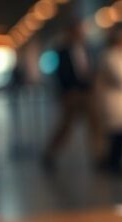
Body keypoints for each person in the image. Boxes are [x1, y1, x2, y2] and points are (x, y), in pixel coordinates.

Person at [42, 19, 99, 170]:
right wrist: (66, 91)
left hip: (86, 92)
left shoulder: (87, 48)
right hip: (71, 93)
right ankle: (50, 153)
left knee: (95, 125)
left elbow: (90, 68)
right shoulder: (62, 51)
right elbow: (60, 74)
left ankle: (99, 155)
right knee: (66, 126)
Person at [94, 29, 122, 175]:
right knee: (116, 135)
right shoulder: (111, 57)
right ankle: (114, 164)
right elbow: (121, 79)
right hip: (115, 101)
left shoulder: (119, 56)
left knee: (121, 134)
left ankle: (117, 163)